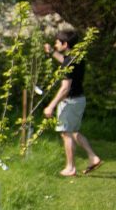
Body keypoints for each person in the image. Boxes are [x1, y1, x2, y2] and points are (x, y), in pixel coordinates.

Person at [43, 29, 102, 177]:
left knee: (66, 134)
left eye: (57, 43)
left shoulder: (68, 63)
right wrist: (52, 52)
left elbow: (65, 88)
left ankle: (70, 168)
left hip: (69, 102)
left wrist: (51, 106)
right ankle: (93, 157)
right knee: (74, 132)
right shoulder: (76, 58)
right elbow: (64, 61)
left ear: (65, 44)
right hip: (79, 100)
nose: (55, 45)